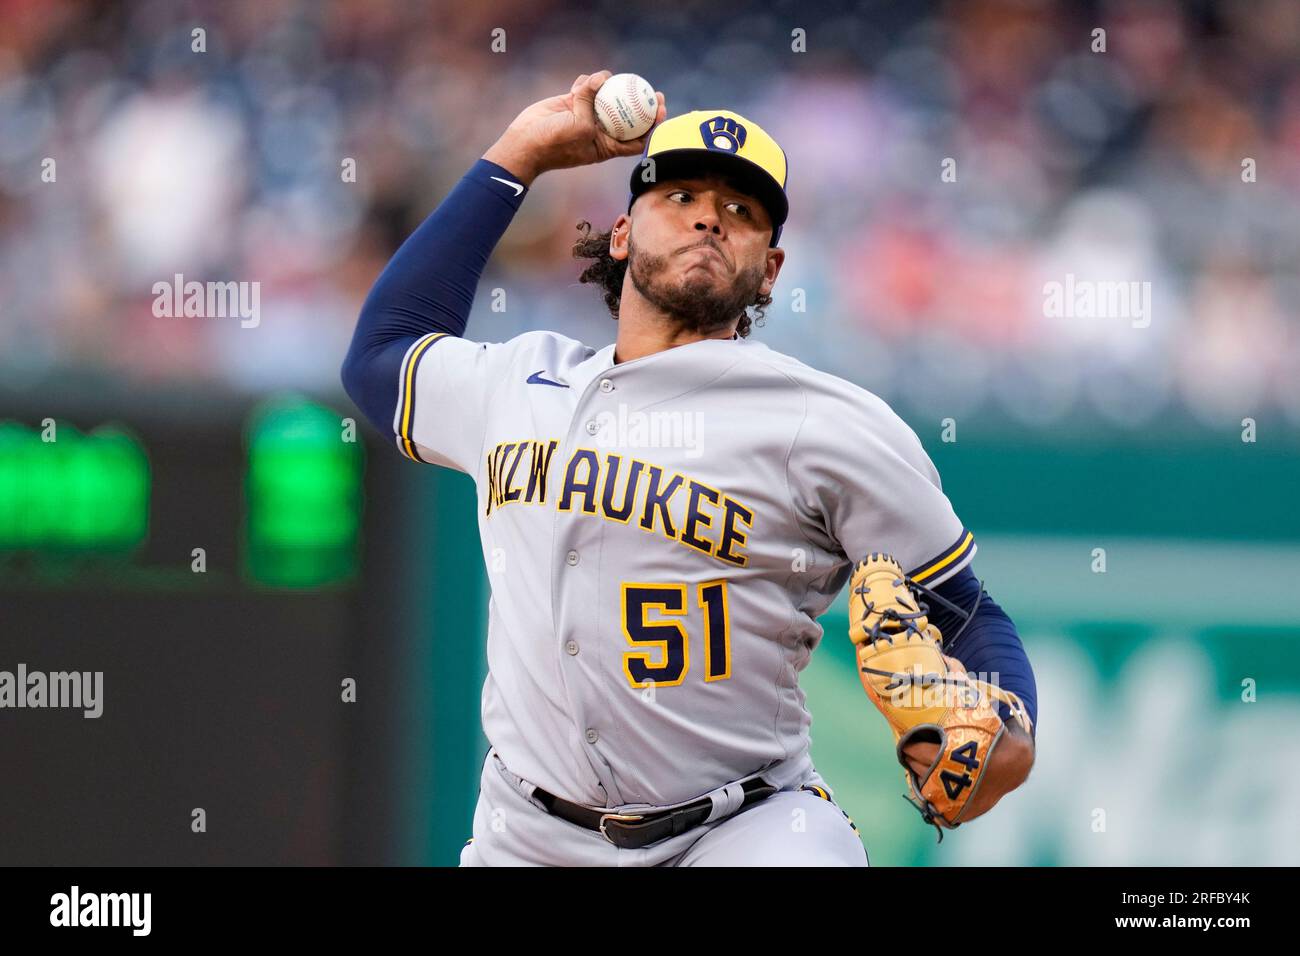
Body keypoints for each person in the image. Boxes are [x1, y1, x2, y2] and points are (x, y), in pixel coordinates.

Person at [341, 70, 1037, 866]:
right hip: (526, 833)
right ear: (623, 234)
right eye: (680, 197)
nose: (710, 216)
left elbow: (968, 612)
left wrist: (1015, 729)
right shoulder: (518, 382)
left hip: (744, 829)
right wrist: (518, 157)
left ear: (769, 271)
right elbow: (379, 358)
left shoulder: (829, 423)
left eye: (741, 212)